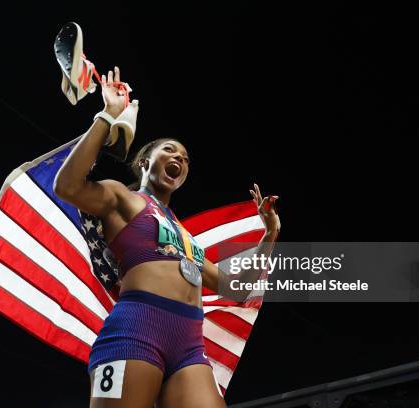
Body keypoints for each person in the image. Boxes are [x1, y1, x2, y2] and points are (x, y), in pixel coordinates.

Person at [54, 66, 280, 408]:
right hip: (135, 330)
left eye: (186, 159)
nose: (180, 159)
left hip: (190, 346)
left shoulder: (186, 237)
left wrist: (270, 235)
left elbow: (237, 288)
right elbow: (67, 186)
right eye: (171, 151)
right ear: (145, 161)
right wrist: (108, 115)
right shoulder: (123, 198)